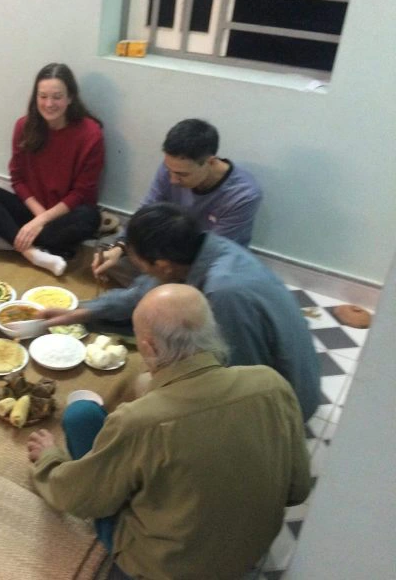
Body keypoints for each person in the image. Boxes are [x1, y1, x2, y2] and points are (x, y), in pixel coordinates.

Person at [28, 284, 311, 580]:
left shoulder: (139, 421)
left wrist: (50, 459)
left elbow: (77, 498)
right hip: (250, 553)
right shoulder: (271, 384)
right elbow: (298, 488)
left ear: (148, 349)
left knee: (80, 415)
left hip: (164, 569)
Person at [43, 203, 320, 420]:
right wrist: (83, 312)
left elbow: (242, 380)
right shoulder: (204, 248)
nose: (140, 272)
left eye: (139, 264)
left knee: (150, 390)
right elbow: (143, 292)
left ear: (163, 265)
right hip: (274, 378)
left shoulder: (223, 295)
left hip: (285, 408)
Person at [0, 63, 104, 277]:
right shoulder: (24, 126)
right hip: (32, 211)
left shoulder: (91, 134)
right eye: (43, 96)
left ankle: (10, 240)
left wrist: (42, 221)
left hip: (65, 215)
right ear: (35, 97)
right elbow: (18, 178)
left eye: (57, 97)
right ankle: (32, 252)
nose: (49, 104)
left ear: (70, 98)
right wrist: (38, 218)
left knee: (90, 218)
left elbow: (81, 192)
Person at [93, 118, 262, 284]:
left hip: (204, 262)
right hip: (166, 252)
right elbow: (147, 211)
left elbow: (214, 252)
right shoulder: (173, 168)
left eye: (182, 175)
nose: (173, 180)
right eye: (169, 170)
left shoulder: (243, 195)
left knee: (214, 285)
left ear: (210, 162)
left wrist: (165, 270)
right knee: (111, 258)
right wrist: (120, 246)